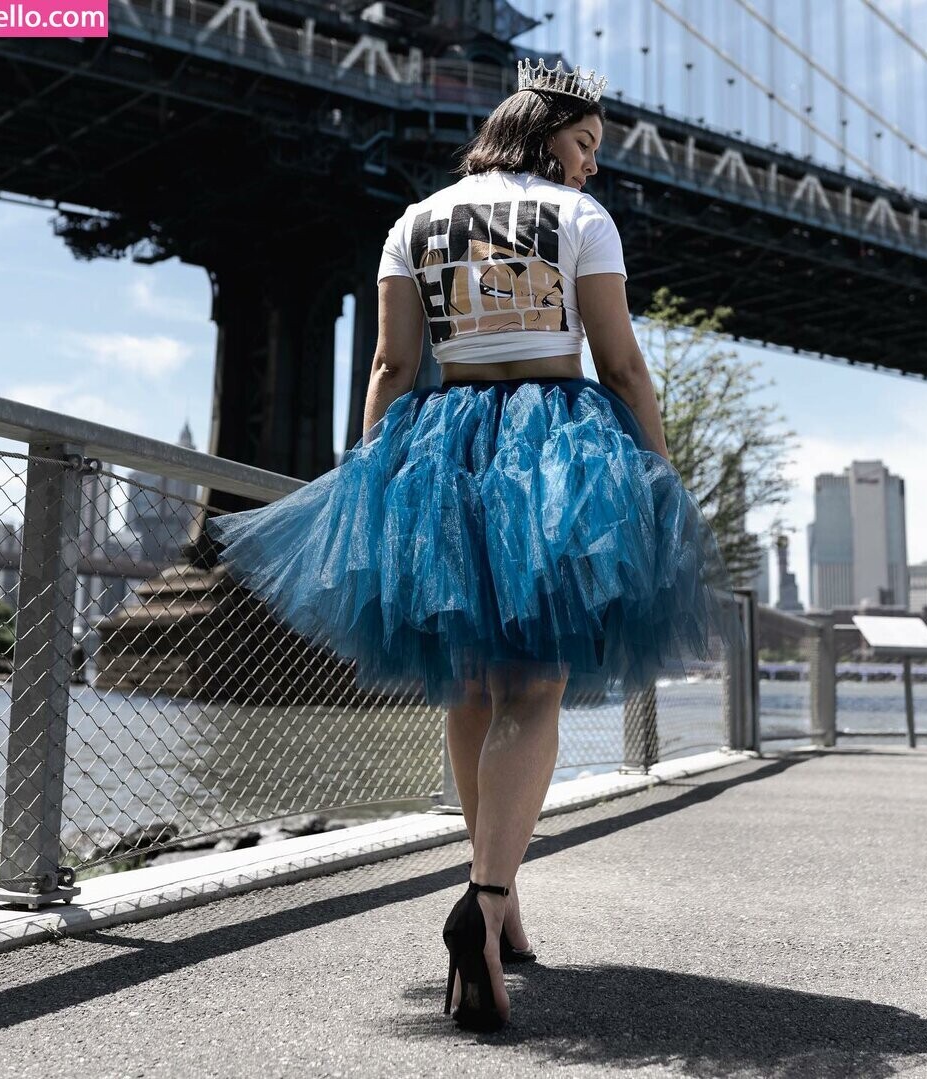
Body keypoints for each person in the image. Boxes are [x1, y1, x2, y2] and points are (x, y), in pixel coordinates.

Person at [205, 57, 739, 1033]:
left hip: (442, 448)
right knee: (532, 685)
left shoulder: (414, 221)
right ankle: (485, 904)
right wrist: (657, 479)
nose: (591, 164)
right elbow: (620, 363)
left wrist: (371, 484)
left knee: (469, 685)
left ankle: (500, 894)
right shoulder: (580, 218)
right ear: (544, 135)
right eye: (584, 144)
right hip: (554, 449)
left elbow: (390, 363)